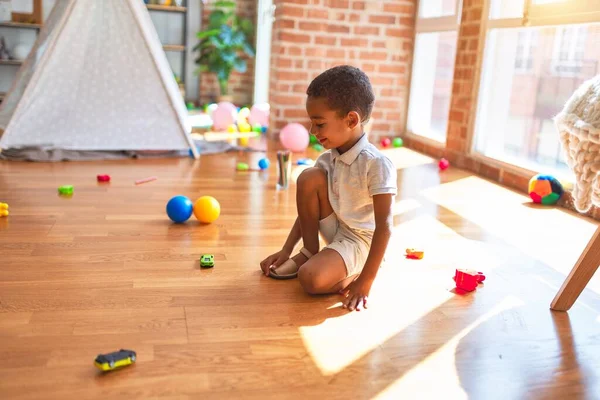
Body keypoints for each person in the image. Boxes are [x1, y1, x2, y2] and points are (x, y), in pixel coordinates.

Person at [259, 65, 397, 312]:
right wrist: (286, 250)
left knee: (309, 279)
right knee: (308, 177)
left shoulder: (377, 164)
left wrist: (366, 282)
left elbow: (385, 228)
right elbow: (307, 213)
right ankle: (310, 252)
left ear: (351, 119)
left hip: (360, 241)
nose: (313, 132)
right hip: (338, 229)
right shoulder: (327, 158)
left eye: (319, 124)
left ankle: (355, 272)